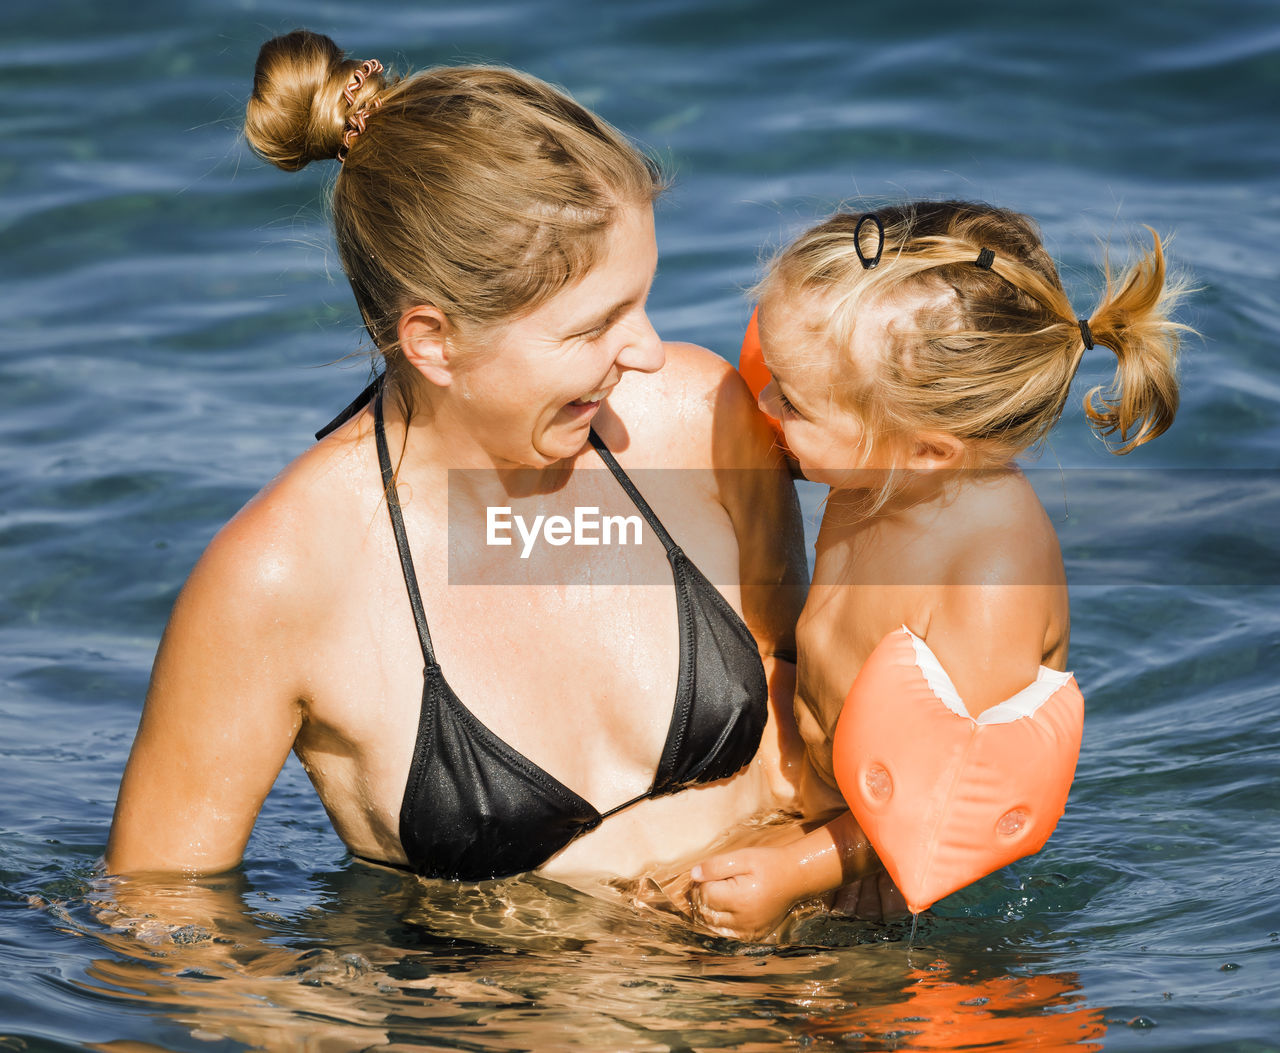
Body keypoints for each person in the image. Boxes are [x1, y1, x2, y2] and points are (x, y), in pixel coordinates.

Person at [105, 30, 810, 887]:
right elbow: (159, 926)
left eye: (644, 301)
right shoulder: (282, 580)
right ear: (434, 341)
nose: (651, 352)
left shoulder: (697, 422)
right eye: (594, 326)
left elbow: (812, 718)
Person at [688, 201, 1187, 938]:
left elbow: (950, 803)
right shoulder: (879, 472)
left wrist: (793, 872)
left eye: (789, 400)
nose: (762, 400)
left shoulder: (986, 578)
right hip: (824, 810)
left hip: (895, 892)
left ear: (926, 449)